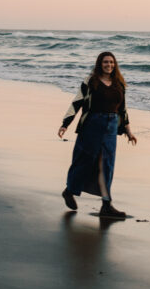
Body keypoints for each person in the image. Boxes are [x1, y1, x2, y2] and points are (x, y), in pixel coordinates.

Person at [58, 51, 137, 218]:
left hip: (111, 127)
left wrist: (129, 132)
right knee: (84, 160)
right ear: (99, 64)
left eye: (111, 62)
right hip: (92, 125)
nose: (109, 65)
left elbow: (122, 110)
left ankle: (106, 204)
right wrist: (65, 124)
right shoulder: (90, 82)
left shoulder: (119, 84)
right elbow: (77, 103)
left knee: (106, 165)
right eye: (105, 62)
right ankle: (69, 190)